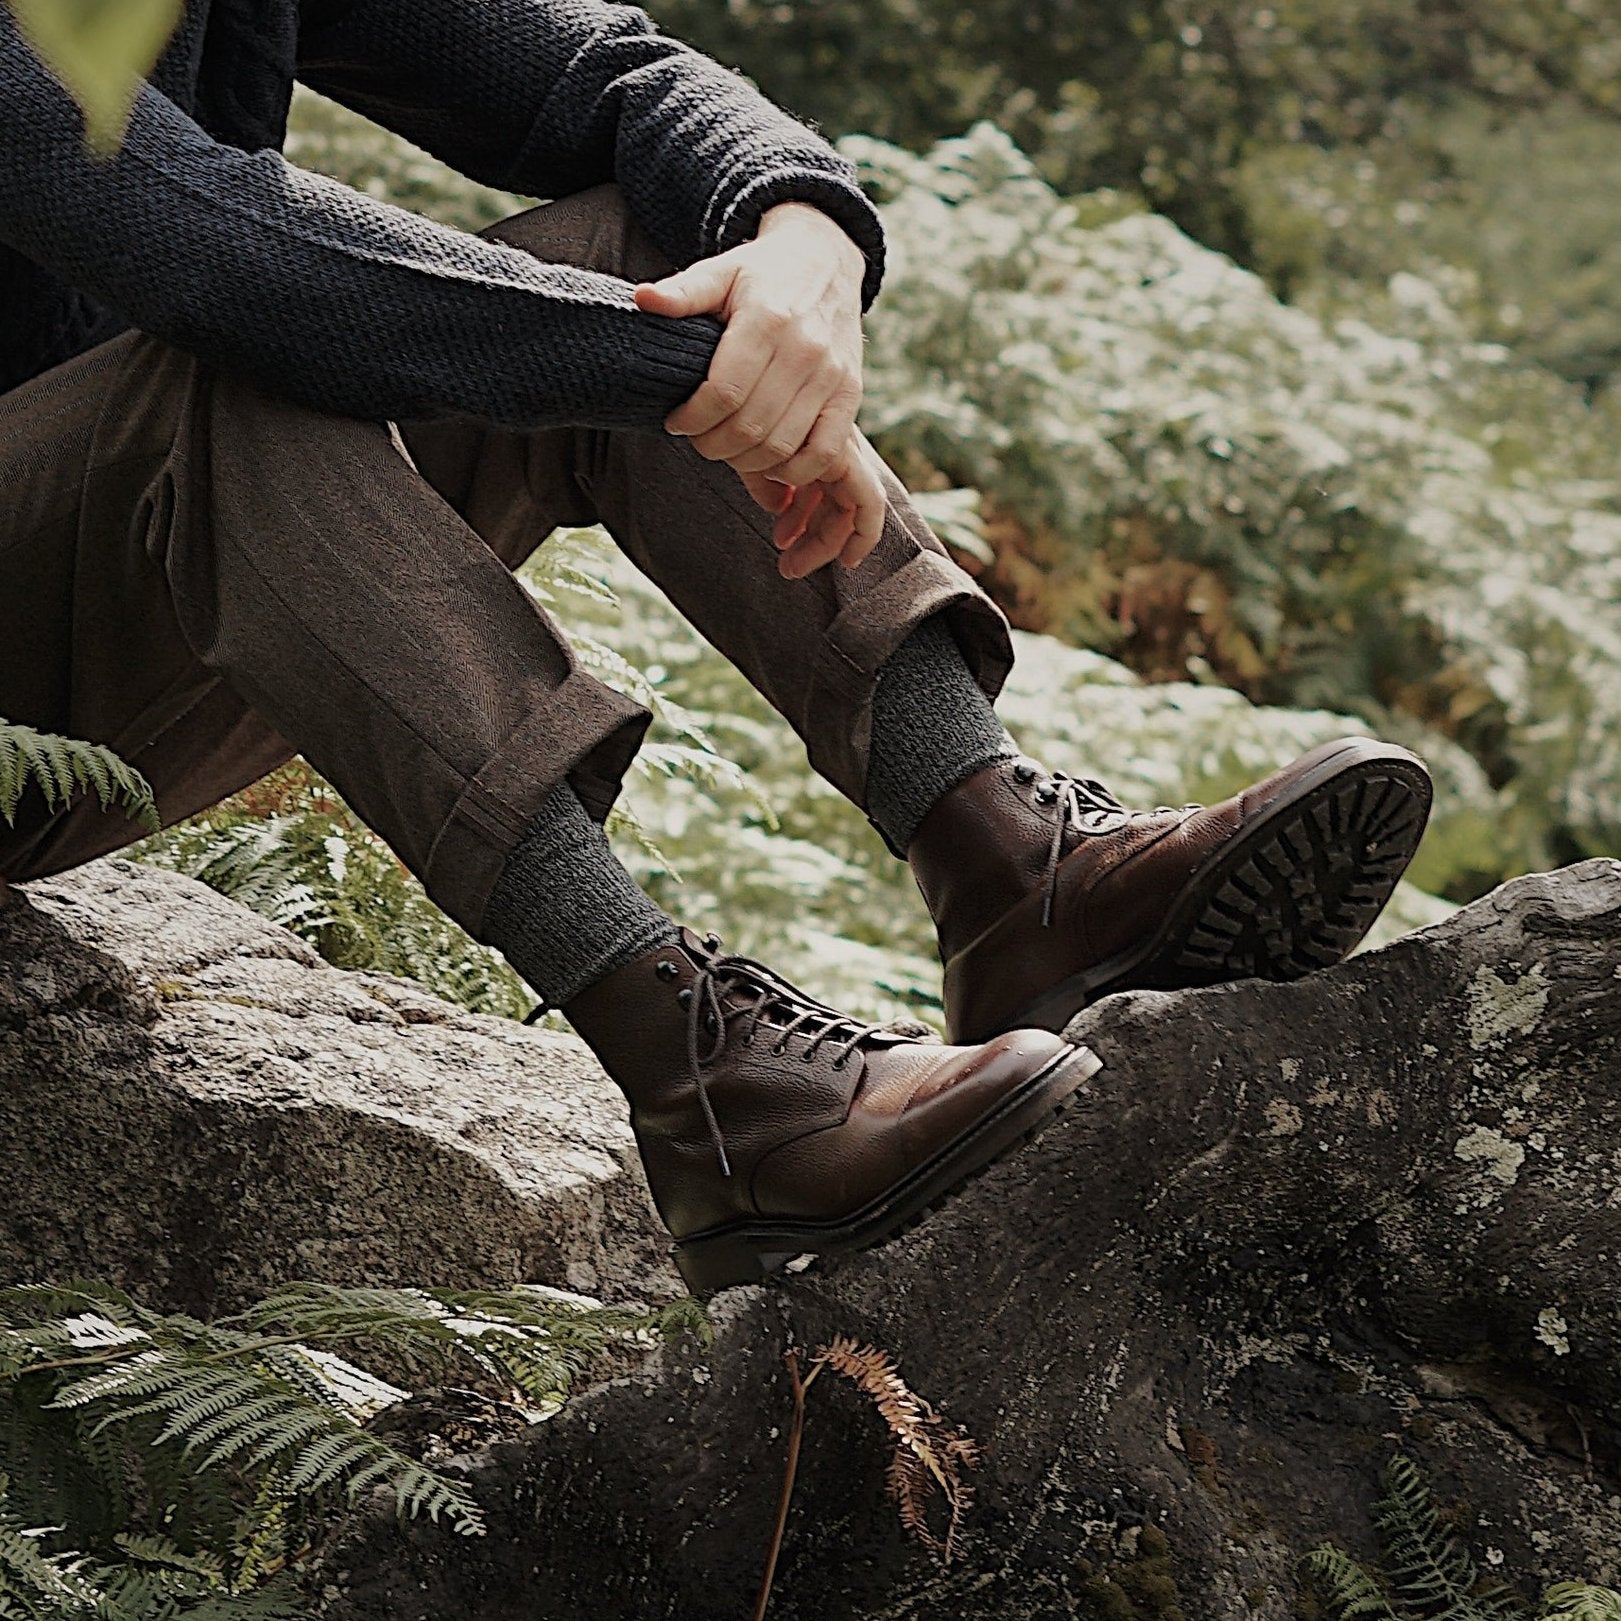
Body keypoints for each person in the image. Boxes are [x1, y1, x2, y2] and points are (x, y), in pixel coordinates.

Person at [0, 0, 1433, 1293]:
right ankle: (709, 1089)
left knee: (660, 242)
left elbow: (604, 74)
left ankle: (1008, 867)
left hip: (75, 654)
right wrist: (709, 382)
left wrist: (800, 244)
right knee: (235, 374)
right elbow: (200, 244)